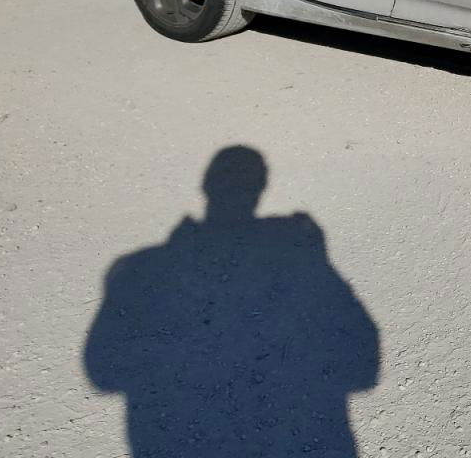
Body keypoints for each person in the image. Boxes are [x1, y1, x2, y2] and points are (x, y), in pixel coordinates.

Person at [84, 146, 379, 457]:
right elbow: (363, 366)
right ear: (260, 190)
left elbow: (103, 373)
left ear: (205, 186)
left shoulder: (139, 269)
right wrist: (315, 257)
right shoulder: (291, 257)